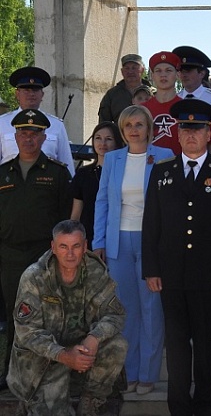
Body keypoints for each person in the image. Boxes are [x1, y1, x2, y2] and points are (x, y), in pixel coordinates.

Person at [142, 99, 211, 416]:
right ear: (178, 134)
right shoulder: (161, 172)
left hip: (208, 275)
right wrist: (151, 269)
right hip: (170, 275)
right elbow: (151, 225)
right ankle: (179, 407)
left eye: (197, 129)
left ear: (208, 134)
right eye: (185, 128)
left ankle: (205, 406)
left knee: (204, 344)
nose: (191, 134)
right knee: (175, 346)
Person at [93, 104, 174, 396]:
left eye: (139, 125)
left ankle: (148, 374)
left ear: (148, 128)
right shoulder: (113, 158)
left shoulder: (164, 156)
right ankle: (129, 372)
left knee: (152, 308)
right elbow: (102, 200)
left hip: (152, 242)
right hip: (118, 242)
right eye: (128, 126)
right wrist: (98, 240)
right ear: (123, 130)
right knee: (126, 310)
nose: (134, 130)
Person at [8, 220, 127, 416]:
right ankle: (33, 401)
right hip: (42, 360)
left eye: (76, 246)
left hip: (81, 350)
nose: (70, 254)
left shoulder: (96, 272)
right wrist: (64, 355)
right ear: (53, 247)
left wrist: (94, 338)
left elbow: (115, 313)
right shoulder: (34, 277)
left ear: (85, 246)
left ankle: (92, 398)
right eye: (63, 246)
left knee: (117, 344)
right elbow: (27, 333)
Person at [0, 108, 72, 391]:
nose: (28, 138)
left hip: (44, 256)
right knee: (13, 314)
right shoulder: (2, 172)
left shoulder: (57, 173)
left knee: (48, 317)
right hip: (9, 254)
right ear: (15, 136)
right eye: (23, 133)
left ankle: (48, 375)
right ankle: (11, 373)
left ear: (44, 138)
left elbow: (66, 218)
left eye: (34, 133)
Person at [0, 66, 75, 175]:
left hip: (47, 187)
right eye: (26, 90)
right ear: (17, 94)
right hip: (10, 186)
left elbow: (67, 164)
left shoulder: (56, 125)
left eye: (35, 90)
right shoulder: (2, 123)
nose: (31, 94)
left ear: (42, 94)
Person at [70, 122, 124, 249]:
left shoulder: (124, 172)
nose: (103, 143)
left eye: (109, 139)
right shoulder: (83, 174)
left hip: (118, 238)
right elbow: (76, 214)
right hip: (88, 238)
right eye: (98, 138)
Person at [142, 51, 183, 155]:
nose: (163, 75)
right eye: (158, 71)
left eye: (168, 70)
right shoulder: (142, 110)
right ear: (152, 75)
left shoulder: (187, 108)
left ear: (178, 75)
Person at [173, 45, 211, 111]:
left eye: (188, 71)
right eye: (181, 71)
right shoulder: (174, 100)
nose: (184, 75)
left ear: (201, 74)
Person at [98, 54, 149, 123]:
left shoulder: (152, 93)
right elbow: (104, 123)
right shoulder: (112, 95)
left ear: (142, 70)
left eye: (134, 68)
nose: (130, 72)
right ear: (122, 71)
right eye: (127, 68)